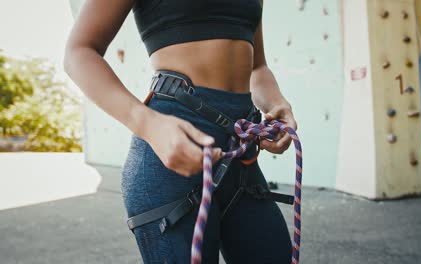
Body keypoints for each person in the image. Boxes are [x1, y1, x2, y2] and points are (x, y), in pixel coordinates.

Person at [64, 0, 298, 263]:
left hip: (240, 157)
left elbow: (257, 67)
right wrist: (148, 124)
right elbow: (79, 52)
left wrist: (278, 103)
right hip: (171, 153)